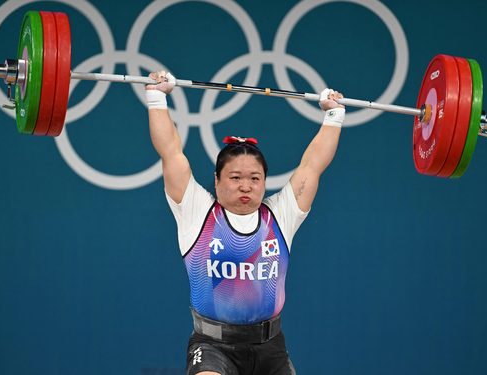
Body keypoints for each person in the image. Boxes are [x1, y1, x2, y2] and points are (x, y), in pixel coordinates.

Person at [145, 70, 345, 375]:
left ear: (265, 182)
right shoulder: (196, 210)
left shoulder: (281, 214)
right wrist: (157, 98)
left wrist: (334, 116)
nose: (245, 186)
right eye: (235, 178)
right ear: (216, 180)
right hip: (212, 346)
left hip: (271, 348)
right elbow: (170, 152)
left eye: (255, 178)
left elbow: (312, 165)